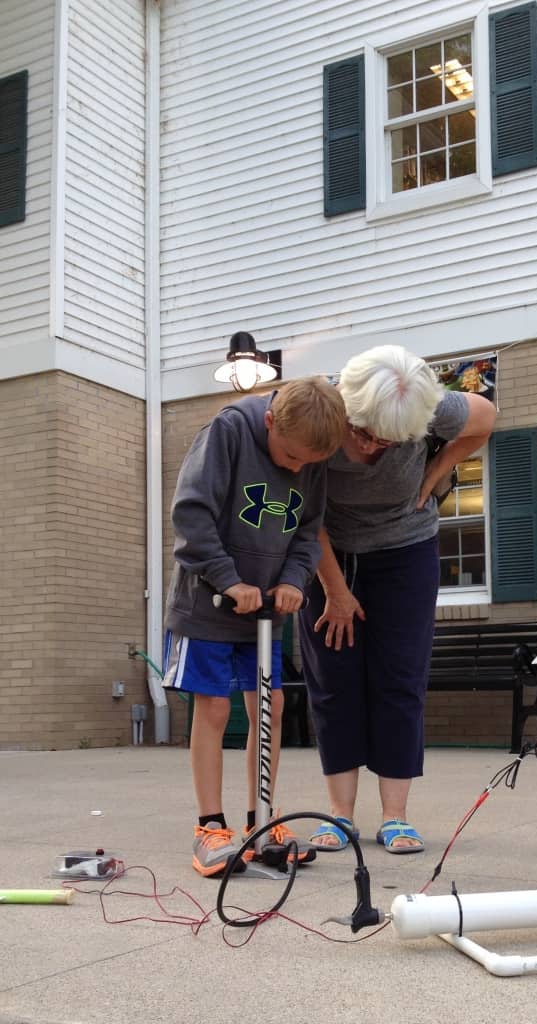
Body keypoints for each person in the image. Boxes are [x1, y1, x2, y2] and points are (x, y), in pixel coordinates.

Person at [299, 345, 496, 853]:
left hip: (406, 550)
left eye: (392, 440)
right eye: (364, 435)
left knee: (399, 677)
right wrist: (335, 590)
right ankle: (340, 815)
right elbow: (305, 514)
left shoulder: (430, 406)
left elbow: (486, 416)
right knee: (333, 678)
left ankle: (395, 816)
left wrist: (438, 470)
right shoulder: (321, 408)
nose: (374, 448)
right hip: (329, 551)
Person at [163, 375, 347, 877]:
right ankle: (209, 826)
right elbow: (192, 514)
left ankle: (260, 821)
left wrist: (293, 580)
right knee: (216, 708)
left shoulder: (310, 454)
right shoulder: (228, 432)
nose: (297, 469)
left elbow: (308, 531)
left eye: (308, 463)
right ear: (270, 422)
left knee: (271, 705)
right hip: (208, 601)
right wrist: (227, 578)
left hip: (263, 609)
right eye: (290, 458)